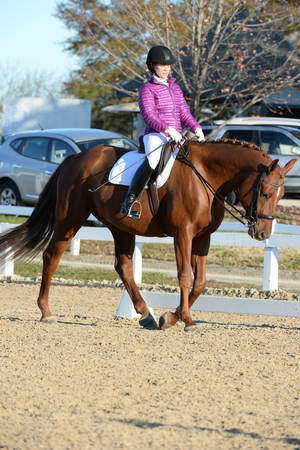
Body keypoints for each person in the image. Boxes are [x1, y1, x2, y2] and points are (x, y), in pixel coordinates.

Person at [120, 45, 205, 219]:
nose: (166, 68)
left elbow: (184, 112)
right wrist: (167, 129)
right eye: (161, 65)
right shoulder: (147, 88)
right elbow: (149, 115)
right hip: (156, 134)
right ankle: (130, 201)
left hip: (177, 135)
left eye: (168, 65)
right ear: (152, 66)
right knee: (153, 160)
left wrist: (196, 127)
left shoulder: (175, 88)